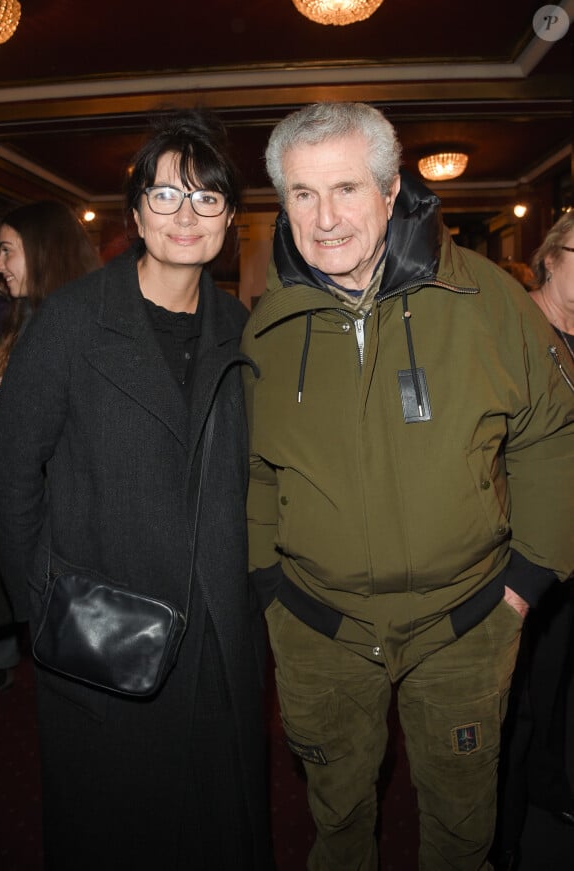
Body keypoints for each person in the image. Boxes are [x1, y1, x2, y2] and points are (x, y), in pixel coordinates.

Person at [241, 102, 574, 871]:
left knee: (462, 828)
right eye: (302, 194)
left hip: (463, 626)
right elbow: (256, 469)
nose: (324, 219)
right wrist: (268, 584)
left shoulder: (490, 302)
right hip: (319, 630)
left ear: (392, 193)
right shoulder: (266, 326)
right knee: (337, 819)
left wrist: (526, 582)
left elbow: (552, 435)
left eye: (347, 189)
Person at [0, 110, 273, 871]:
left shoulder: (241, 330)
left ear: (229, 217)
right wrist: (46, 608)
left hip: (218, 639)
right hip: (102, 635)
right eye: (165, 196)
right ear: (135, 214)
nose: (186, 216)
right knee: (117, 833)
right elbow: (10, 475)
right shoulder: (73, 322)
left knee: (217, 828)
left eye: (207, 198)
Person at [492, 212, 574, 870]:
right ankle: (502, 836)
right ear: (549, 258)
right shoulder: (514, 327)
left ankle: (547, 788)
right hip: (522, 546)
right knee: (512, 702)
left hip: (569, 544)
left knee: (554, 687)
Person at [0, 201, 100, 695]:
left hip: (62, 536)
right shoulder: (30, 317)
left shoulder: (67, 326)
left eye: (7, 250)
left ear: (42, 252)